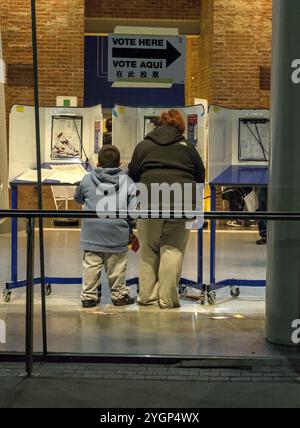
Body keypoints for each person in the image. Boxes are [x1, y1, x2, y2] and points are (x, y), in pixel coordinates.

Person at [128, 109, 205, 309]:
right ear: (180, 126)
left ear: (157, 124)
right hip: (182, 203)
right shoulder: (188, 147)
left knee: (148, 250)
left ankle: (146, 296)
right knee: (173, 249)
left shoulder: (143, 145)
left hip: (148, 202)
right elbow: (200, 175)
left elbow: (133, 174)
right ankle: (167, 299)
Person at [74, 145, 135, 308]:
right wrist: (130, 228)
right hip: (117, 232)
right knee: (117, 267)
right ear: (119, 163)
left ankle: (89, 296)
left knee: (91, 266)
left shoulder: (87, 179)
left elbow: (78, 198)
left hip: (92, 233)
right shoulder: (127, 181)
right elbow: (132, 210)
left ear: (98, 162)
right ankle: (119, 295)